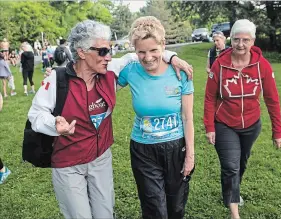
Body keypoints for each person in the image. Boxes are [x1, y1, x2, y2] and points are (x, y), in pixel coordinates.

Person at [28, 19, 192, 219]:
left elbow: (140, 53)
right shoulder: (57, 79)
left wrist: (172, 56)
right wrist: (53, 124)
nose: (109, 57)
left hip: (100, 160)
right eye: (103, 51)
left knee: (105, 214)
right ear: (82, 52)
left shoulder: (110, 71)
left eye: (110, 50)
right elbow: (36, 114)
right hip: (68, 163)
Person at [115, 16, 194, 219]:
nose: (147, 57)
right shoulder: (130, 72)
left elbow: (187, 118)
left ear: (163, 47)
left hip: (176, 147)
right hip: (144, 151)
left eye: (153, 50)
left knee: (176, 208)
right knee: (154, 210)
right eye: (141, 51)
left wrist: (190, 156)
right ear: (135, 51)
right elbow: (102, 88)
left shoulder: (181, 73)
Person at [204, 19, 281, 219]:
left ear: (253, 41)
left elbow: (272, 100)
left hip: (251, 124)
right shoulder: (219, 64)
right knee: (231, 166)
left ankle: (230, 191)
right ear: (231, 39)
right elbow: (209, 98)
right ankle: (234, 213)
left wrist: (278, 132)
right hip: (224, 123)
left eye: (246, 40)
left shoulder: (262, 66)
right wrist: (210, 127)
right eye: (237, 39)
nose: (240, 44)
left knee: (240, 163)